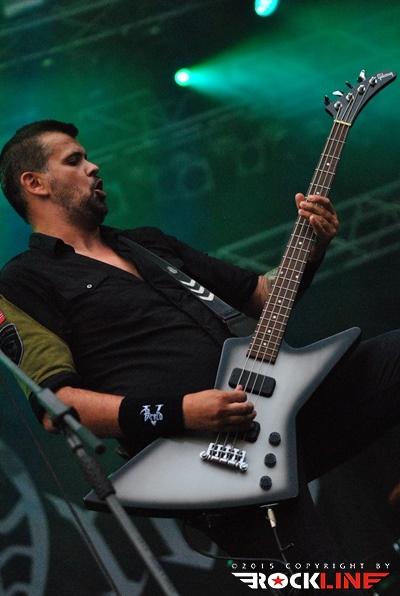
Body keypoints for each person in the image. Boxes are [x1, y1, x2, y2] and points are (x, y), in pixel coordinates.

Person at [0, 120, 399, 583]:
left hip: (286, 406)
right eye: (74, 160)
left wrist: (311, 246)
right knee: (323, 584)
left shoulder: (147, 243)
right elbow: (58, 405)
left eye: (87, 157)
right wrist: (182, 412)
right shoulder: (23, 281)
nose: (94, 167)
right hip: (213, 463)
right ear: (35, 183)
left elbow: (261, 295)